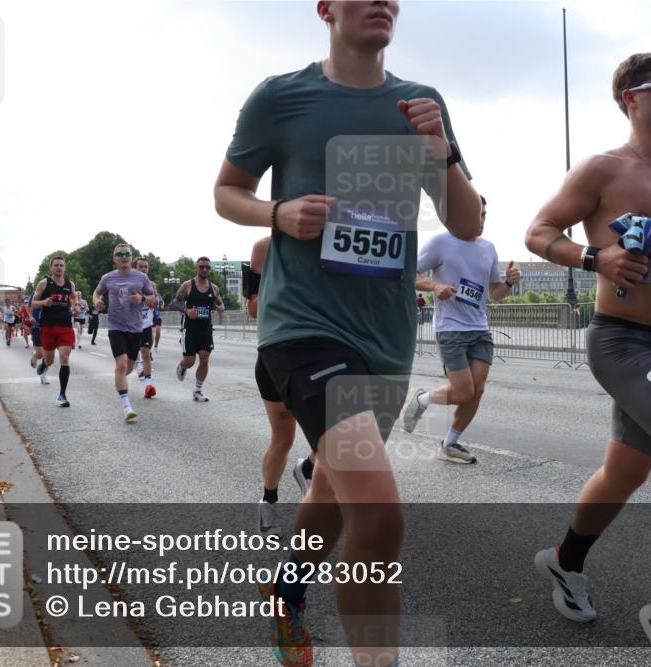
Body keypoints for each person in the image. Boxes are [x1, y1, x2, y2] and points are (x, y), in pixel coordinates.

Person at [214, 2, 482, 665]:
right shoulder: (281, 97)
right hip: (304, 326)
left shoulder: (422, 101)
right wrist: (278, 211)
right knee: (381, 512)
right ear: (326, 9)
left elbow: (469, 222)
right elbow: (226, 192)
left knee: (334, 489)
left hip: (385, 334)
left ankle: (287, 588)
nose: (383, 2)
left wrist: (441, 153)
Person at [524, 46, 651, 667]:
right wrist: (595, 258)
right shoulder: (603, 169)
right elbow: (538, 233)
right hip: (620, 340)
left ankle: (565, 563)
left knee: (625, 473)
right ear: (632, 100)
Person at [401, 195, 520, 463]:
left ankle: (449, 444)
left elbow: (495, 293)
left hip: (480, 328)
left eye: (485, 215)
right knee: (463, 392)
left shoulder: (488, 248)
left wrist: (510, 284)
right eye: (479, 214)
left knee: (477, 390)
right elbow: (409, 273)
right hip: (451, 329)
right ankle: (421, 400)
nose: (482, 220)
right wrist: (435, 286)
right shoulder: (440, 243)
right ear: (461, 214)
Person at [247, 236, 316, 536]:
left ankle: (308, 471)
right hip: (278, 356)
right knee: (283, 439)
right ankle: (269, 500)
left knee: (334, 439)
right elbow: (252, 307)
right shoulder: (265, 247)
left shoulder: (334, 243)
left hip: (320, 356)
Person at [93, 243, 155, 422]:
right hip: (116, 327)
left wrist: (142, 298)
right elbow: (96, 294)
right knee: (121, 365)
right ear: (115, 259)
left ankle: (119, 379)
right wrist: (97, 301)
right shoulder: (108, 278)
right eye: (120, 254)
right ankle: (127, 406)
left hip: (136, 327)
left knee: (127, 367)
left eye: (128, 254)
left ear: (131, 256)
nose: (124, 257)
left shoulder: (141, 277)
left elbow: (153, 299)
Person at [170, 257, 224, 402]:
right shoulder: (188, 285)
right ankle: (182, 366)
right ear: (197, 268)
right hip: (190, 328)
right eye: (202, 267)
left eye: (207, 267)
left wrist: (220, 308)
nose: (205, 269)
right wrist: (187, 311)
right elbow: (174, 303)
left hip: (206, 328)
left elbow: (220, 302)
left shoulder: (214, 288)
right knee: (190, 361)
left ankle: (197, 390)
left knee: (205, 358)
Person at [31, 257, 78, 407]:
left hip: (65, 326)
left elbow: (73, 297)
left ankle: (62, 395)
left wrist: (75, 306)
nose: (59, 268)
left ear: (65, 267)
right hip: (48, 327)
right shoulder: (44, 283)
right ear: (51, 268)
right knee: (50, 360)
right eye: (56, 265)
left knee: (64, 358)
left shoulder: (69, 284)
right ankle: (45, 363)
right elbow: (33, 304)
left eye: (61, 265)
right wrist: (44, 303)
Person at [132, 257, 159, 399]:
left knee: (145, 352)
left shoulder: (151, 285)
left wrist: (143, 299)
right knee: (129, 360)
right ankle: (135, 366)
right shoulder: (128, 283)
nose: (143, 269)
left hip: (146, 324)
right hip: (130, 325)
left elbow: (154, 302)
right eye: (140, 267)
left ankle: (149, 385)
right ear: (135, 268)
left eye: (145, 267)